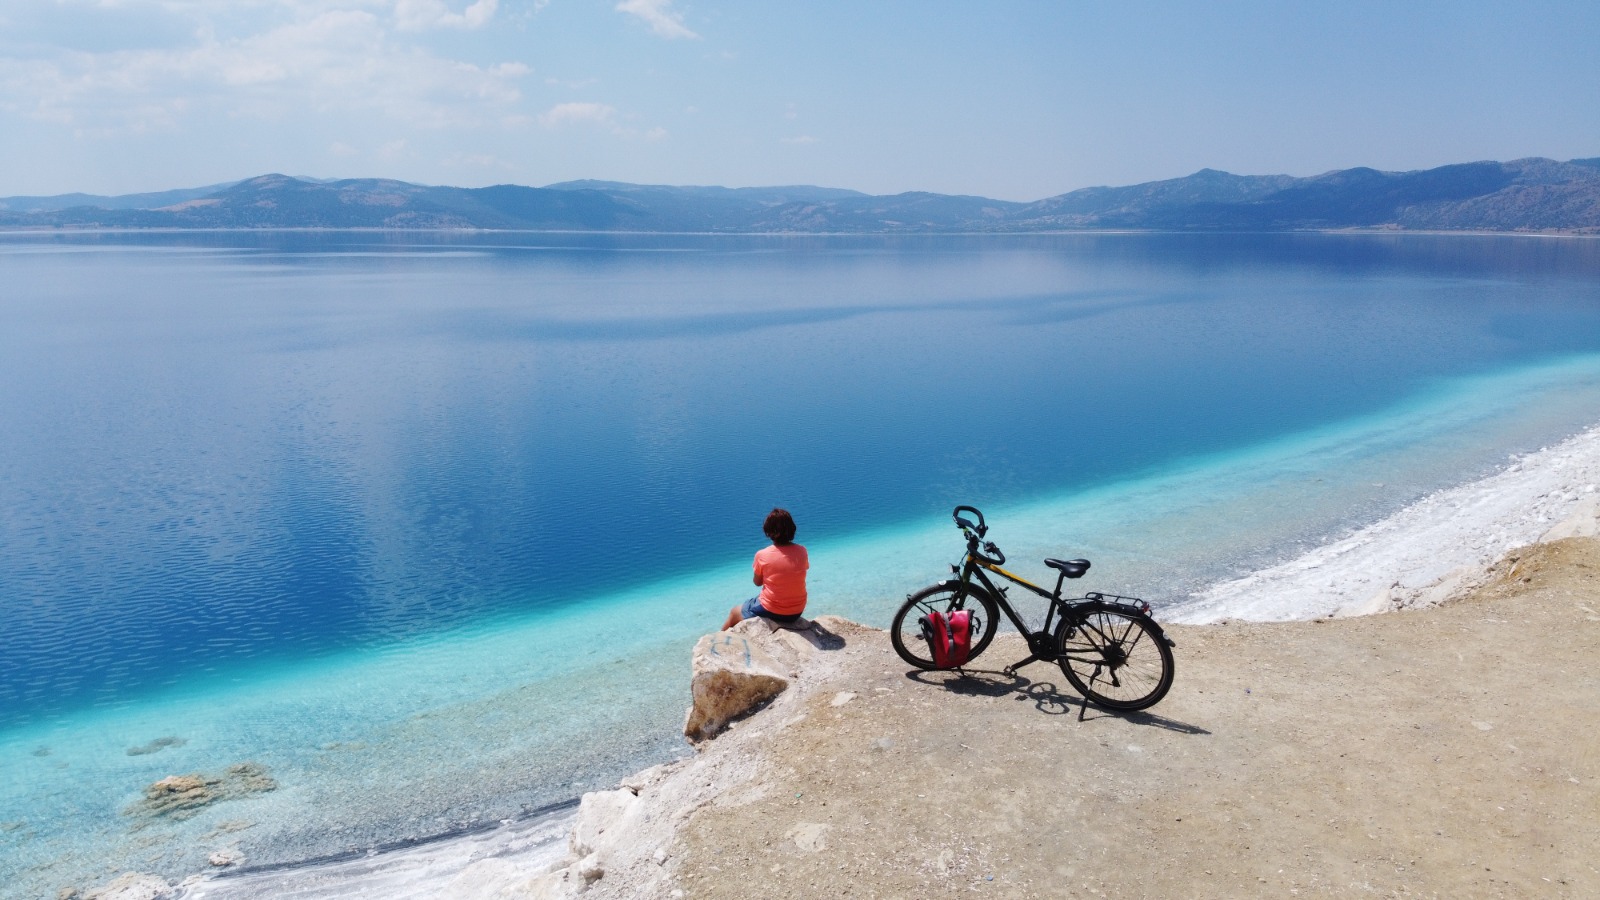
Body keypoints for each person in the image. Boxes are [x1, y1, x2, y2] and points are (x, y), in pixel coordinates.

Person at [722, 508, 809, 630]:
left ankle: (716, 642)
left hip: (774, 611)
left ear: (769, 531)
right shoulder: (802, 551)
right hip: (797, 610)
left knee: (734, 612)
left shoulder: (762, 555)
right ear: (792, 529)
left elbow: (757, 582)